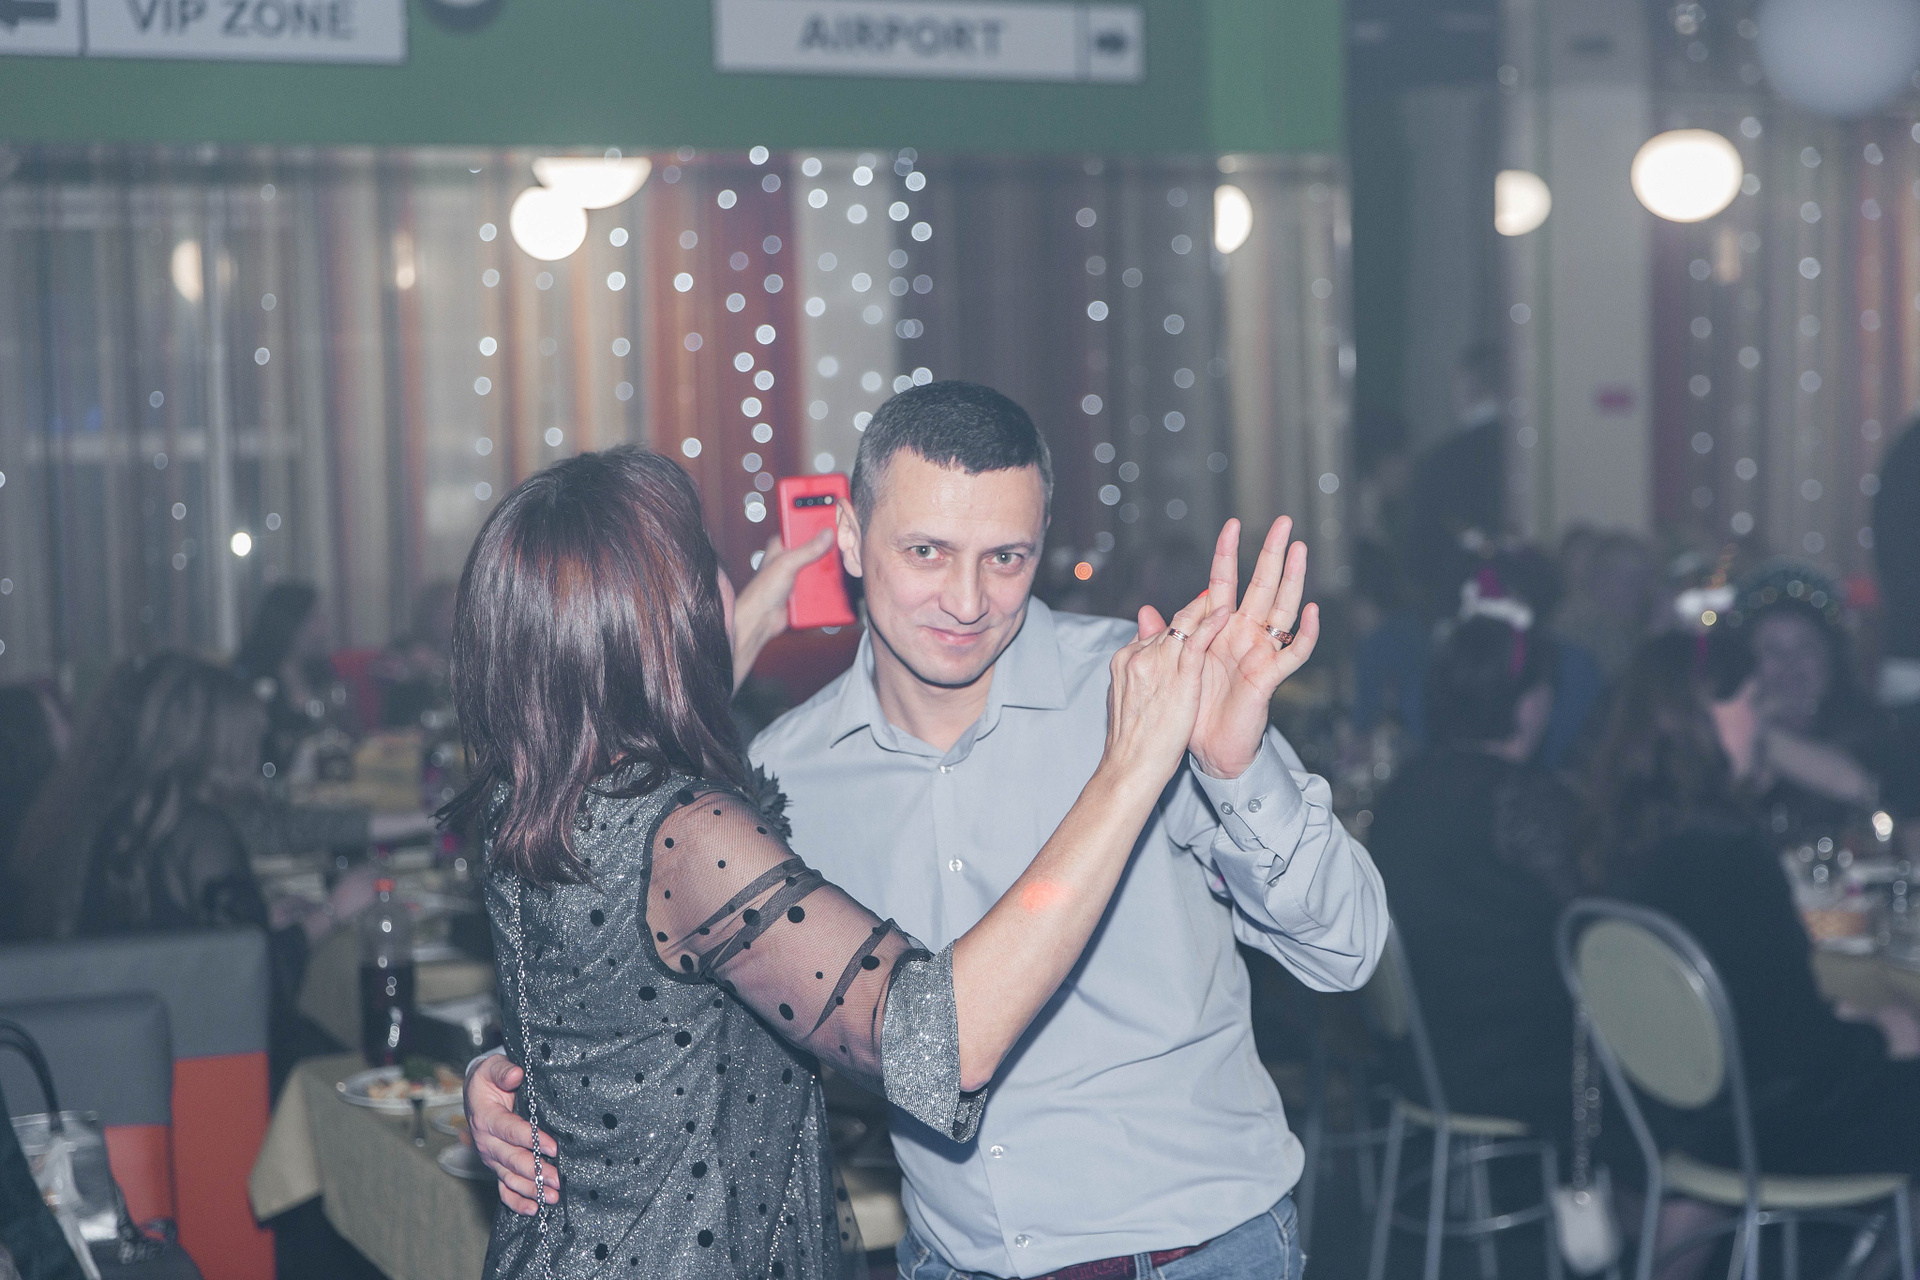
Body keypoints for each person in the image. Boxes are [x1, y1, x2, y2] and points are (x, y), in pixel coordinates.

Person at [470, 381, 1387, 1280]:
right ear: (848, 539)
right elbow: (656, 979)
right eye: (926, 552)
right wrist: (526, 1078)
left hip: (1193, 1254)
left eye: (1006, 558)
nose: (967, 599)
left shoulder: (1148, 688)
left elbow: (1346, 952)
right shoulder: (782, 773)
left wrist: (1236, 769)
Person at [1585, 634, 1920, 1176]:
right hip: (1758, 1124)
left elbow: (1756, 1000)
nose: (1764, 722)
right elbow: (1798, 1054)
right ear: (1701, 716)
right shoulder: (1730, 855)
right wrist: (1878, 1033)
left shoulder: (1620, 834)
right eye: (1753, 702)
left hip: (1660, 1105)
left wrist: (1845, 1017)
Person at [1368, 613, 1581, 1142]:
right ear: (1531, 703)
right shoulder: (1526, 799)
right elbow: (1595, 921)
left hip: (1417, 1060)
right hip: (1520, 1069)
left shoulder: (1401, 790)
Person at [1725, 564, 1889, 845]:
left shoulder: (1871, 725)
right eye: (1773, 650)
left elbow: (1861, 786)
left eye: (1805, 646)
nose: (1791, 663)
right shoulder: (1723, 736)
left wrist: (1755, 729)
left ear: (1831, 657)